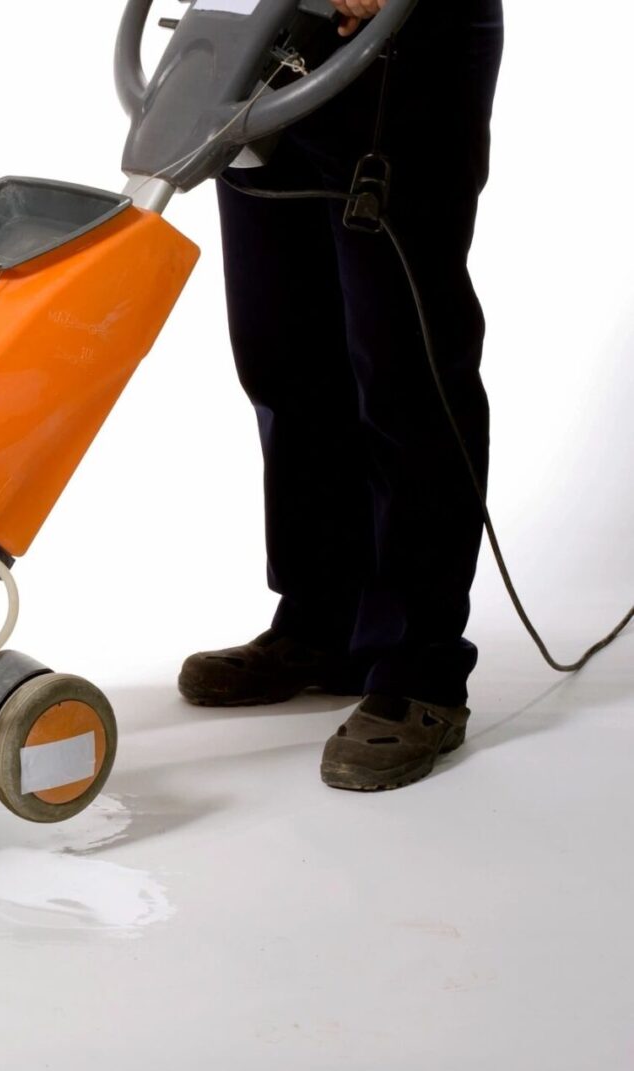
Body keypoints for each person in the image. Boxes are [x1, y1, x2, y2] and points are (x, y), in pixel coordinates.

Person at [179, 0, 506, 791]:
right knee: (281, 352)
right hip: (257, 39)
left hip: (402, 41)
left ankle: (420, 668)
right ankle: (324, 623)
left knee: (403, 365)